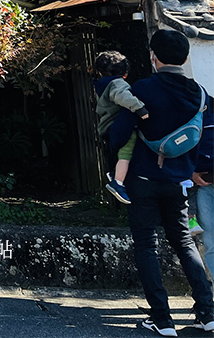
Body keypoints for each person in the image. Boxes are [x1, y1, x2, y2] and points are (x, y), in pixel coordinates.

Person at [110, 29, 214, 336]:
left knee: (146, 244)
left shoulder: (143, 88)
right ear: (185, 57)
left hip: (142, 177)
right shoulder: (199, 93)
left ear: (153, 57)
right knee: (183, 241)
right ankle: (207, 313)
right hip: (178, 179)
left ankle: (162, 318)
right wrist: (193, 169)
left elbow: (119, 133)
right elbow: (202, 136)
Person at [94, 50, 149, 204]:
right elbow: (122, 96)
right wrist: (139, 108)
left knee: (119, 155)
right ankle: (118, 182)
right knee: (127, 152)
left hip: (107, 126)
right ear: (124, 72)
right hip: (117, 125)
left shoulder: (102, 84)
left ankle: (114, 173)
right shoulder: (117, 83)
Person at [194, 91, 214, 279]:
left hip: (204, 183)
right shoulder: (200, 104)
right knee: (210, 241)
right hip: (205, 184)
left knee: (210, 242)